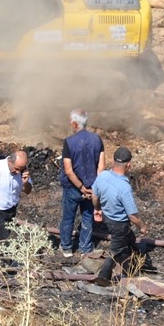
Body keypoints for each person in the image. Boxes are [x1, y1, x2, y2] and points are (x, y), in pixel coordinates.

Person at [91, 146, 147, 287]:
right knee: (115, 249)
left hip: (107, 219)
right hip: (119, 223)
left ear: (113, 160)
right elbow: (132, 216)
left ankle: (134, 263)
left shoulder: (102, 176)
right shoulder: (124, 187)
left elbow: (94, 195)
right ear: (129, 165)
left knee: (129, 239)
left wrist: (97, 209)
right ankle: (103, 277)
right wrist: (142, 226)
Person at [58, 109, 105, 258]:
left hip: (73, 188)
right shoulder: (97, 140)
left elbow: (69, 171)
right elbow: (101, 167)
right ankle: (85, 248)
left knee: (68, 218)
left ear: (74, 123)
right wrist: (93, 188)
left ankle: (66, 248)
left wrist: (81, 187)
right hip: (92, 188)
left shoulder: (69, 142)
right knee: (87, 217)